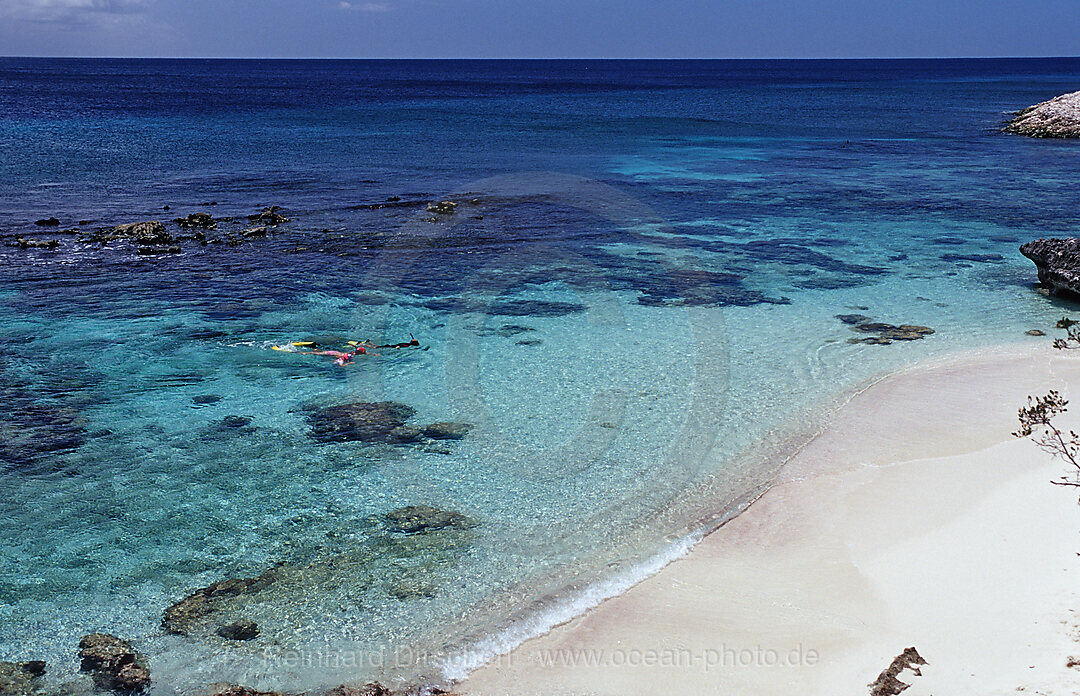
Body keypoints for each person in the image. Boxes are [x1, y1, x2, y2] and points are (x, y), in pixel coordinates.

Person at [298, 345, 366, 366]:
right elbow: (341, 360)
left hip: (334, 352)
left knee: (321, 353)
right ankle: (304, 352)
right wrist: (349, 363)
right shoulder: (351, 355)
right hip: (332, 353)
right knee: (318, 354)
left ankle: (315, 350)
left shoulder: (352, 352)